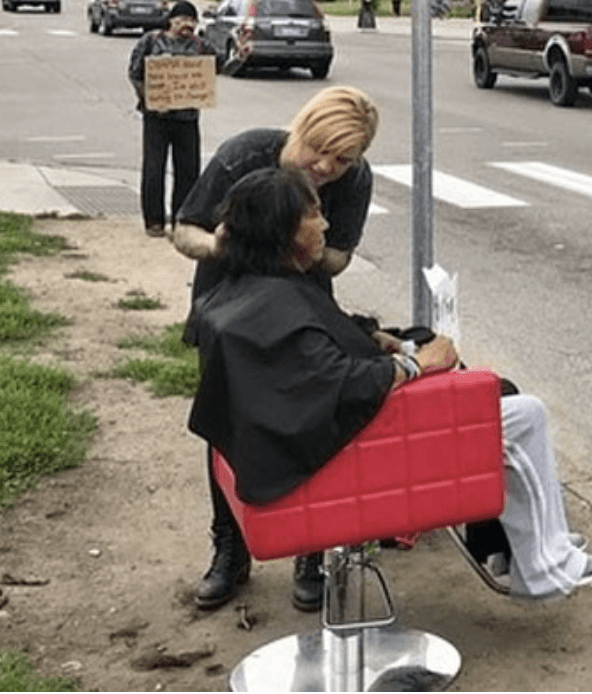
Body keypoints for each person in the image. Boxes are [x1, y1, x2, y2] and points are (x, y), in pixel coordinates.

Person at [185, 167, 592, 601]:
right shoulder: (277, 302)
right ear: (284, 229)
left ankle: (524, 549)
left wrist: (372, 338)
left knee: (497, 395)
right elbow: (339, 384)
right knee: (520, 417)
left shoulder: (241, 293)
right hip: (336, 470)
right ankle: (546, 567)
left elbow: (310, 351)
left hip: (293, 462)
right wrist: (417, 366)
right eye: (314, 214)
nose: (327, 224)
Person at [172, 86, 381, 612]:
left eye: (343, 159)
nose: (327, 166)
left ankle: (310, 551)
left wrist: (303, 249)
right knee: (228, 418)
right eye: (321, 150)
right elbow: (184, 230)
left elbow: (338, 255)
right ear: (303, 128)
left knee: (313, 419)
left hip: (299, 303)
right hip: (229, 304)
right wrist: (228, 244)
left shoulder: (353, 178)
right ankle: (230, 549)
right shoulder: (245, 155)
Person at [128, 1, 219, 238]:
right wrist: (151, 98)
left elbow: (217, 68)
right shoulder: (151, 41)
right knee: (153, 168)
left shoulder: (201, 46)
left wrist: (241, 55)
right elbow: (135, 72)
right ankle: (154, 220)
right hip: (156, 118)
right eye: (182, 20)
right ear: (171, 21)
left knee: (188, 170)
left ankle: (182, 218)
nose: (186, 25)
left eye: (191, 21)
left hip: (187, 119)